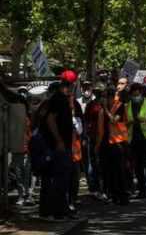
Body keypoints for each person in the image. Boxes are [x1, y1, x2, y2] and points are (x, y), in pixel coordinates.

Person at [39, 79, 75, 221]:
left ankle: (50, 211)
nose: (71, 91)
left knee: (51, 178)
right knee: (60, 179)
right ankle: (58, 212)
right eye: (69, 87)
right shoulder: (59, 100)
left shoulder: (53, 101)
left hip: (53, 145)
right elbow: (50, 120)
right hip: (58, 146)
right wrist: (59, 140)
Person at [104, 78, 130, 205]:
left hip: (119, 142)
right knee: (113, 170)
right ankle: (115, 195)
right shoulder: (114, 105)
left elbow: (114, 120)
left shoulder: (118, 106)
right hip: (112, 141)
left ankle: (123, 196)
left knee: (120, 171)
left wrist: (106, 110)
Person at [84, 82, 108, 200]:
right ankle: (95, 188)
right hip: (93, 137)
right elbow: (86, 121)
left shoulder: (106, 105)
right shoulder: (91, 105)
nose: (99, 95)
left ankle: (103, 188)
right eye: (97, 92)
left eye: (100, 92)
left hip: (105, 137)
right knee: (93, 163)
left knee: (102, 163)